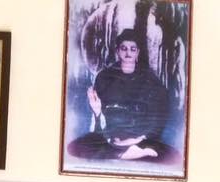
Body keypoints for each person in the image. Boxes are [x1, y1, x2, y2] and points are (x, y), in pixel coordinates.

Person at [67, 30, 172, 162]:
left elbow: (159, 116)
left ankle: (124, 152)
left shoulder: (150, 79)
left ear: (138, 52)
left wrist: (138, 139)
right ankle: (127, 154)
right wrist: (97, 111)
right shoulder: (105, 77)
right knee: (75, 147)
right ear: (117, 51)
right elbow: (99, 126)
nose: (128, 53)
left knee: (171, 155)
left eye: (132, 49)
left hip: (140, 139)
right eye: (124, 48)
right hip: (112, 139)